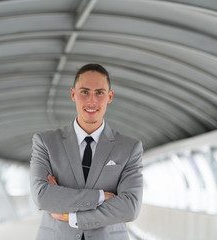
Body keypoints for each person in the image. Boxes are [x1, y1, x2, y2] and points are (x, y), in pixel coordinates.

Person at [30, 63, 143, 240]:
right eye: (84, 92)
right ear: (73, 94)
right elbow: (43, 197)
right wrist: (101, 196)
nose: (92, 101)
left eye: (99, 93)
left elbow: (130, 207)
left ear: (110, 96)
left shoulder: (129, 148)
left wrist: (71, 216)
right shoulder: (46, 143)